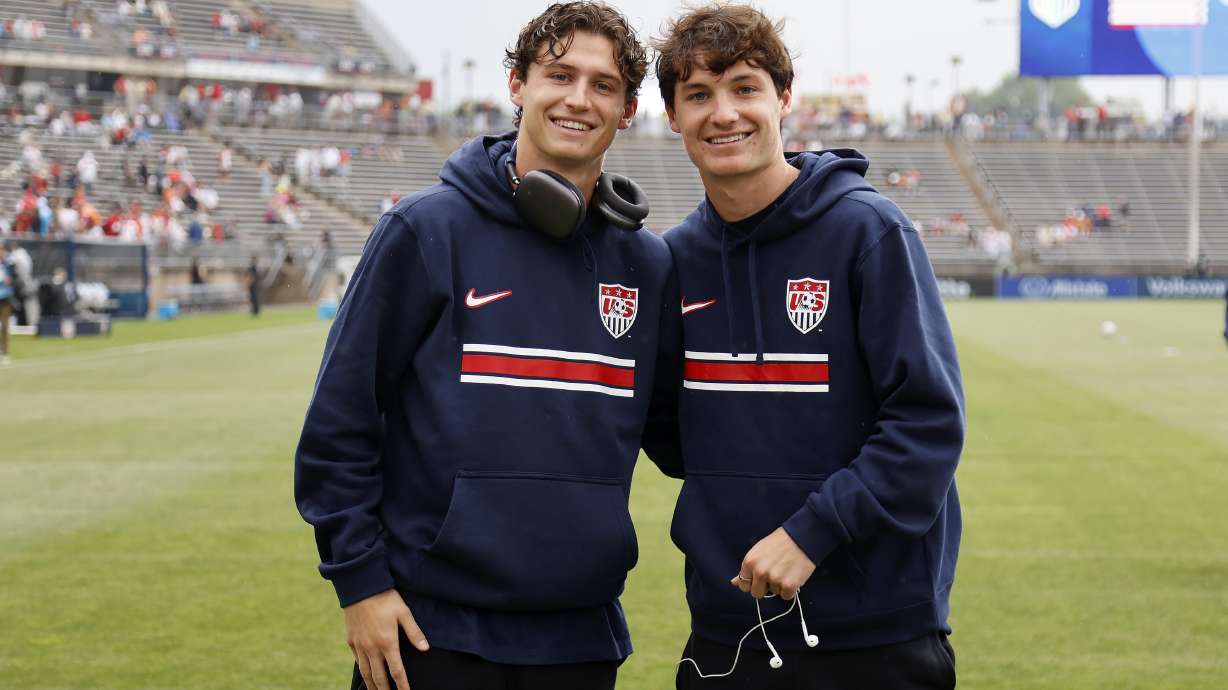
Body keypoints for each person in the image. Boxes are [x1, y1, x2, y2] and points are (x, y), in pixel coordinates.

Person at [294, 4, 678, 690]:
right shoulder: (423, 231)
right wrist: (359, 585)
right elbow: (338, 427)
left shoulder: (646, 266)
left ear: (626, 111)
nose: (578, 98)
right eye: (559, 74)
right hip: (427, 633)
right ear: (517, 85)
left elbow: (683, 440)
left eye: (603, 85)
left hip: (579, 640)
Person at [649, 6, 965, 689]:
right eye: (698, 95)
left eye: (744, 88)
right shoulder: (674, 261)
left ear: (783, 99)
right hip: (727, 633)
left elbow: (928, 426)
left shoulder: (868, 232)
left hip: (875, 634)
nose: (723, 113)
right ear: (672, 116)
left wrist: (810, 532)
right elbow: (673, 437)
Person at [0, 243, 13, 365]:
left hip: (5, 298)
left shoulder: (7, 264)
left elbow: (11, 279)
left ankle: (5, 353)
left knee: (5, 326)